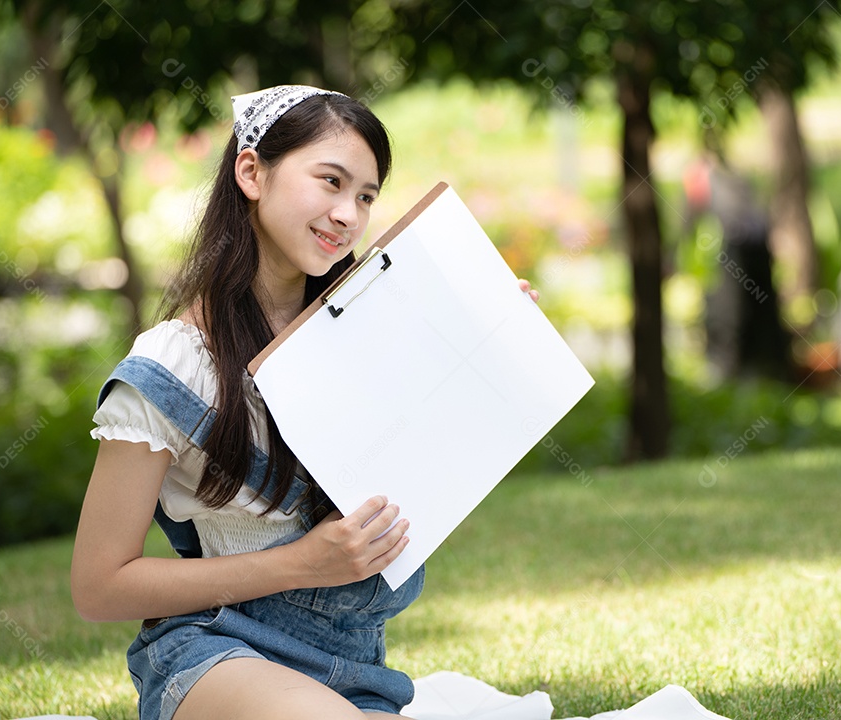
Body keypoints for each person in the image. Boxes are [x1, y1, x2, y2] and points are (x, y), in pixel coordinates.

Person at [70, 84, 538, 720]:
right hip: (216, 653)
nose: (349, 214)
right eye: (331, 181)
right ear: (251, 172)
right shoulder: (176, 363)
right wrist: (299, 565)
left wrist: (486, 346)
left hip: (353, 667)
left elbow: (433, 467)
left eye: (366, 196)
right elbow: (99, 585)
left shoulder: (374, 330)